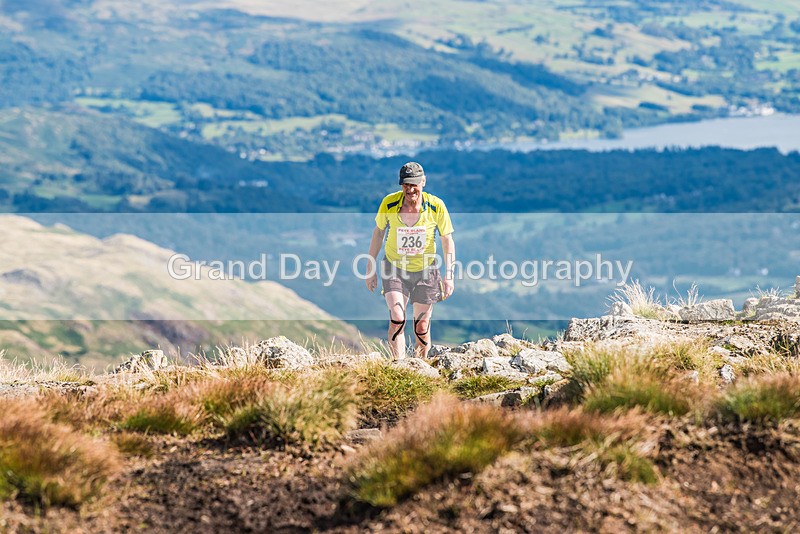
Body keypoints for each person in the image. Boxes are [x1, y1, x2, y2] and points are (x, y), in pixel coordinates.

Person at [366, 161, 455, 359]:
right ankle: (399, 365)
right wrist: (370, 267)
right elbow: (378, 233)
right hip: (394, 267)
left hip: (426, 270)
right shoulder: (389, 203)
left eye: (414, 184)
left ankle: (421, 366)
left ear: (423, 182)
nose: (410, 189)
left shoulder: (435, 205)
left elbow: (447, 240)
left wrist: (449, 276)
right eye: (406, 184)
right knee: (397, 318)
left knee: (421, 325)